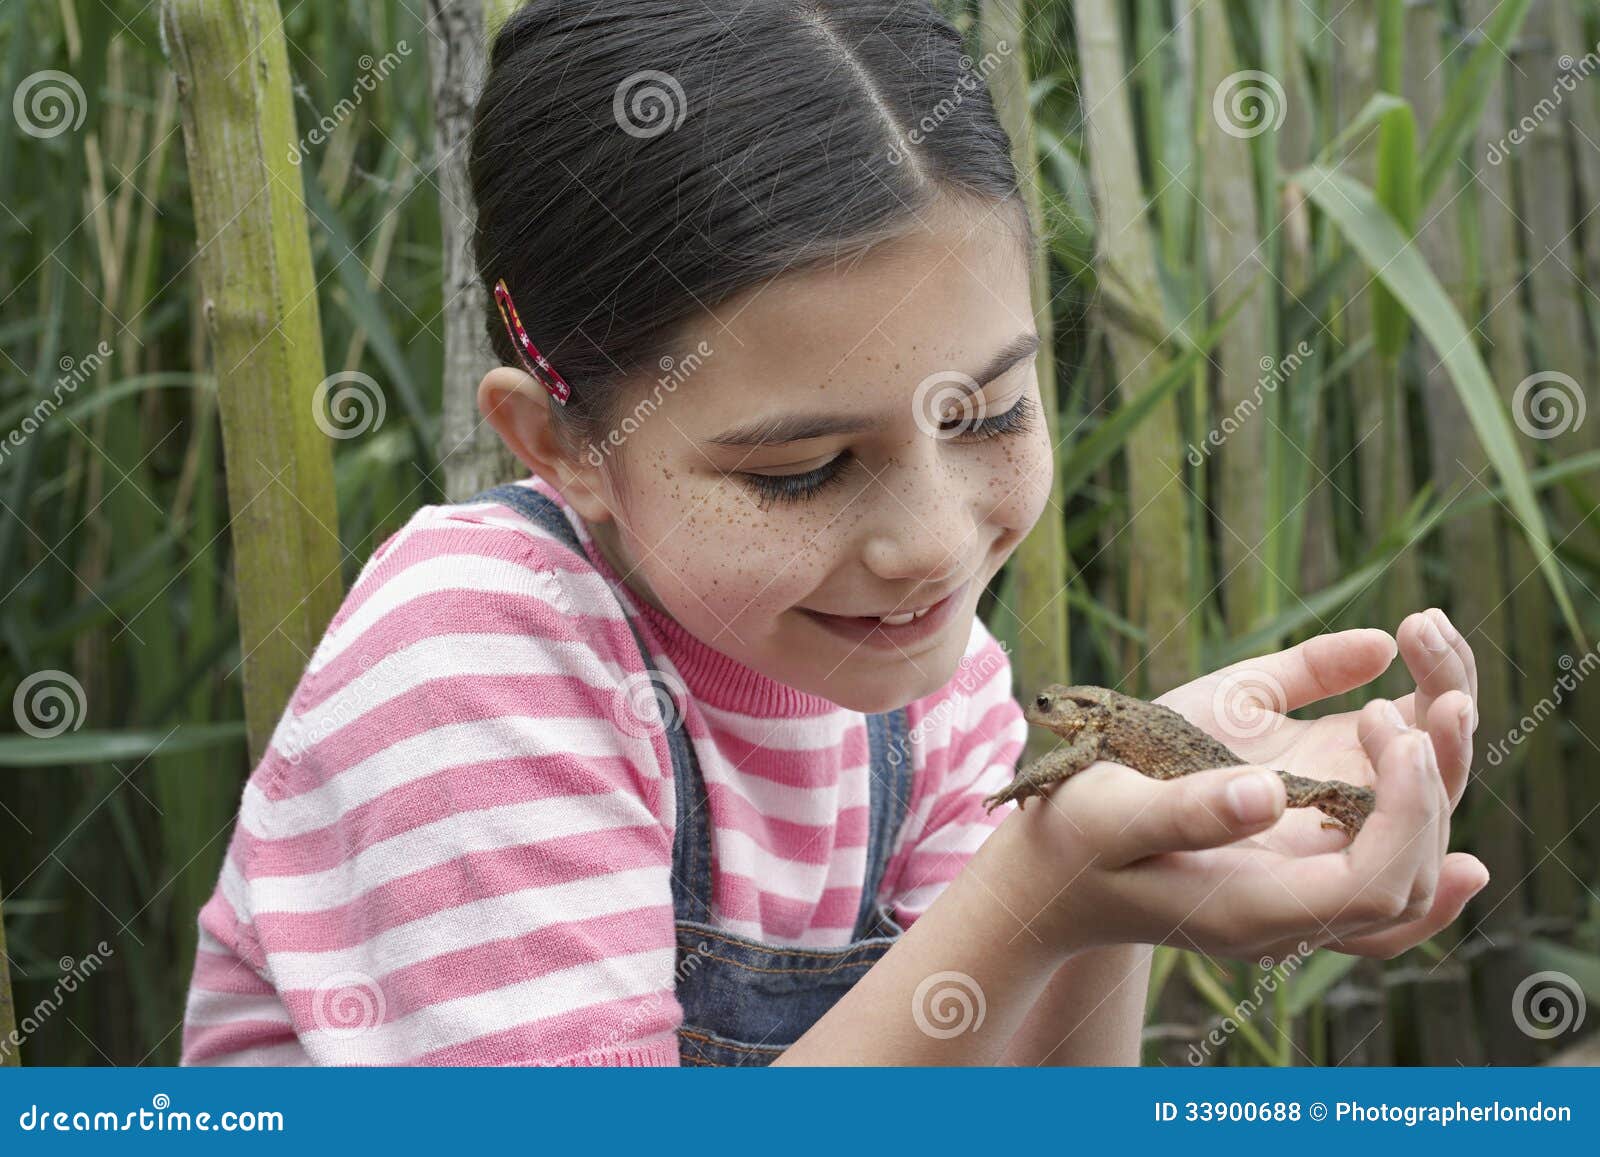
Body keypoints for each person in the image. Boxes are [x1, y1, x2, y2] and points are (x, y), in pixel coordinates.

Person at [180, 0, 1487, 1066]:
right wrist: (1026, 900)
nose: (931, 546)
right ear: (560, 445)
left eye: (987, 414)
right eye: (802, 471)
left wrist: (1120, 881)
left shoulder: (937, 694)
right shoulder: (467, 665)